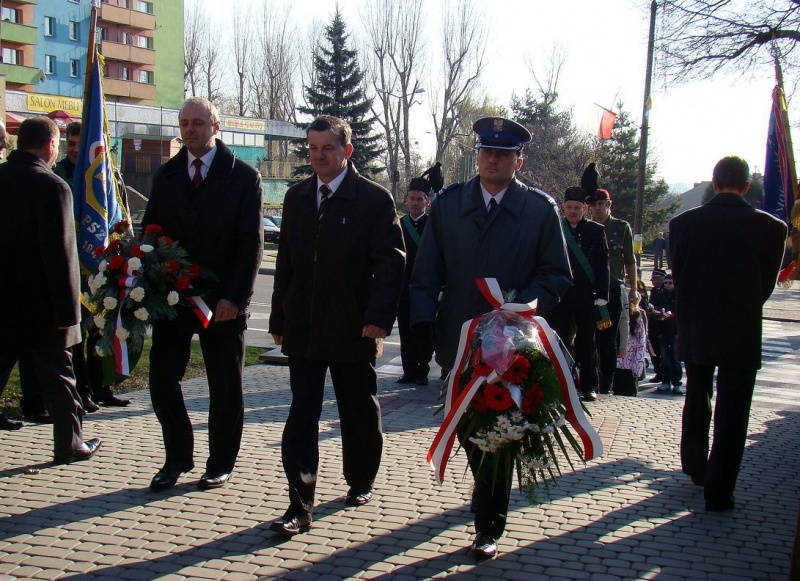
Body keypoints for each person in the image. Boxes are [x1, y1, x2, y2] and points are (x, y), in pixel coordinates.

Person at [410, 117, 571, 559]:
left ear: (519, 161)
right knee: (469, 426)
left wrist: (521, 305)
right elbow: (426, 271)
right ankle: (486, 493)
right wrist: (424, 323)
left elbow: (556, 274)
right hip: (460, 340)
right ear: (477, 156)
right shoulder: (449, 205)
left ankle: (489, 522)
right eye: (486, 152)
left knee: (501, 428)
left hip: (514, 345)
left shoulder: (539, 210)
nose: (493, 160)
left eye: (503, 154)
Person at [268, 115, 404, 536]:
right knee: (301, 415)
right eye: (312, 148)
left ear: (347, 151)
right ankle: (299, 504)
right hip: (304, 328)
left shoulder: (373, 199)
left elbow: (391, 264)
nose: (319, 156)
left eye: (327, 148)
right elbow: (285, 263)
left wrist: (378, 318)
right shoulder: (296, 197)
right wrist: (278, 318)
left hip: (354, 328)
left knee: (358, 410)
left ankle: (360, 479)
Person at [142, 97, 263, 492]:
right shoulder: (167, 175)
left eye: (197, 122)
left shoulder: (243, 177)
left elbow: (251, 244)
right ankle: (177, 457)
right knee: (162, 379)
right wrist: (147, 283)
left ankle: (220, 463)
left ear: (215, 126)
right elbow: (151, 233)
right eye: (184, 123)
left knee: (224, 386)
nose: (190, 129)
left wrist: (235, 297)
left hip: (221, 302)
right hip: (172, 298)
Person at [671, 155, 786, 512]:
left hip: (698, 323)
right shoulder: (772, 227)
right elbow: (766, 284)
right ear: (747, 186)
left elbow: (680, 276)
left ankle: (695, 465)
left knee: (697, 395)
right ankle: (719, 491)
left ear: (714, 182)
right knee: (734, 412)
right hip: (741, 326)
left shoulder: (683, 223)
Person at [0, 116, 101, 461]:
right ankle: (70, 444)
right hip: (42, 306)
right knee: (61, 380)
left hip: (3, 303)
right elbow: (61, 255)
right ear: (50, 145)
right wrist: (69, 313)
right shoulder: (53, 186)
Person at [53, 121, 130, 410]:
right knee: (77, 334)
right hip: (74, 265)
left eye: (80, 144)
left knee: (102, 328)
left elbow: (120, 215)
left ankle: (102, 387)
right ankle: (81, 391)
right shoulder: (59, 175)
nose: (76, 150)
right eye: (71, 144)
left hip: (104, 265)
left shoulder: (108, 175)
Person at [544, 186, 609, 402]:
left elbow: (602, 264)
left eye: (577, 208)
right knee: (558, 339)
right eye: (569, 207)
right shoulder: (555, 228)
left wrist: (602, 294)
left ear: (585, 209)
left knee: (587, 341)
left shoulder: (595, 231)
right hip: (560, 295)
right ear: (563, 207)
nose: (572, 211)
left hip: (585, 294)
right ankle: (558, 384)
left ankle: (589, 385)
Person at [586, 187, 638, 394]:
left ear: (609, 205)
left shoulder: (621, 228)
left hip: (612, 289)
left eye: (601, 204)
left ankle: (606, 383)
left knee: (608, 338)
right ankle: (589, 380)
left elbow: (629, 260)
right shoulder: (586, 228)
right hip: (590, 290)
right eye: (593, 205)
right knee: (588, 337)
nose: (597, 208)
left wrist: (634, 289)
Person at [397, 177, 435, 386]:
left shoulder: (433, 225)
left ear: (427, 202)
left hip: (426, 287)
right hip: (404, 287)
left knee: (424, 331)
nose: (415, 203)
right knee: (405, 331)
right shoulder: (399, 224)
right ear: (406, 200)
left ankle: (422, 371)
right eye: (412, 198)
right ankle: (408, 371)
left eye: (419, 199)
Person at [650, 273, 682, 394]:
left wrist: (679, 332)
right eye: (666, 283)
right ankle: (665, 381)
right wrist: (657, 332)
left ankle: (677, 383)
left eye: (670, 283)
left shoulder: (679, 296)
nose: (668, 285)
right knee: (664, 358)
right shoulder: (660, 295)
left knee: (675, 358)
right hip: (663, 332)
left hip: (675, 332)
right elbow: (655, 314)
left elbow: (682, 316)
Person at [646, 269, 666, 382]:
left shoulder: (665, 292)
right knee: (654, 353)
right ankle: (659, 372)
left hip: (663, 326)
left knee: (664, 354)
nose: (652, 281)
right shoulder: (654, 291)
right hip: (653, 326)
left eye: (654, 278)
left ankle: (665, 375)